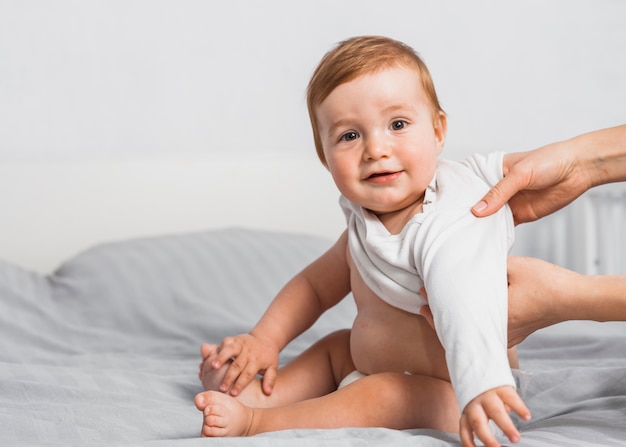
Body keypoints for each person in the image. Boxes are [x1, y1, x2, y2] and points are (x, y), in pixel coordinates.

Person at [195, 35, 529, 447]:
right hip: (369, 367)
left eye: (398, 125)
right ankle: (244, 387)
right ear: (324, 156)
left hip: (460, 395)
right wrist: (264, 340)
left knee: (384, 393)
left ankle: (258, 424)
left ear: (438, 131)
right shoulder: (362, 226)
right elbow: (314, 287)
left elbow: (468, 305)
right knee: (334, 348)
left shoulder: (449, 220)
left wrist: (483, 383)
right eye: (349, 136)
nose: (376, 149)